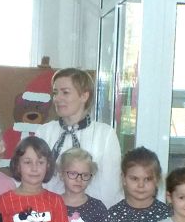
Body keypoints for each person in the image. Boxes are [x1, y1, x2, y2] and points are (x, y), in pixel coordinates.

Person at [36, 68, 122, 208]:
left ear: (84, 96)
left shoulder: (105, 134)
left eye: (65, 92)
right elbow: (35, 178)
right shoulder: (44, 132)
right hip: (48, 211)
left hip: (91, 214)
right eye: (55, 93)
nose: (57, 98)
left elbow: (110, 186)